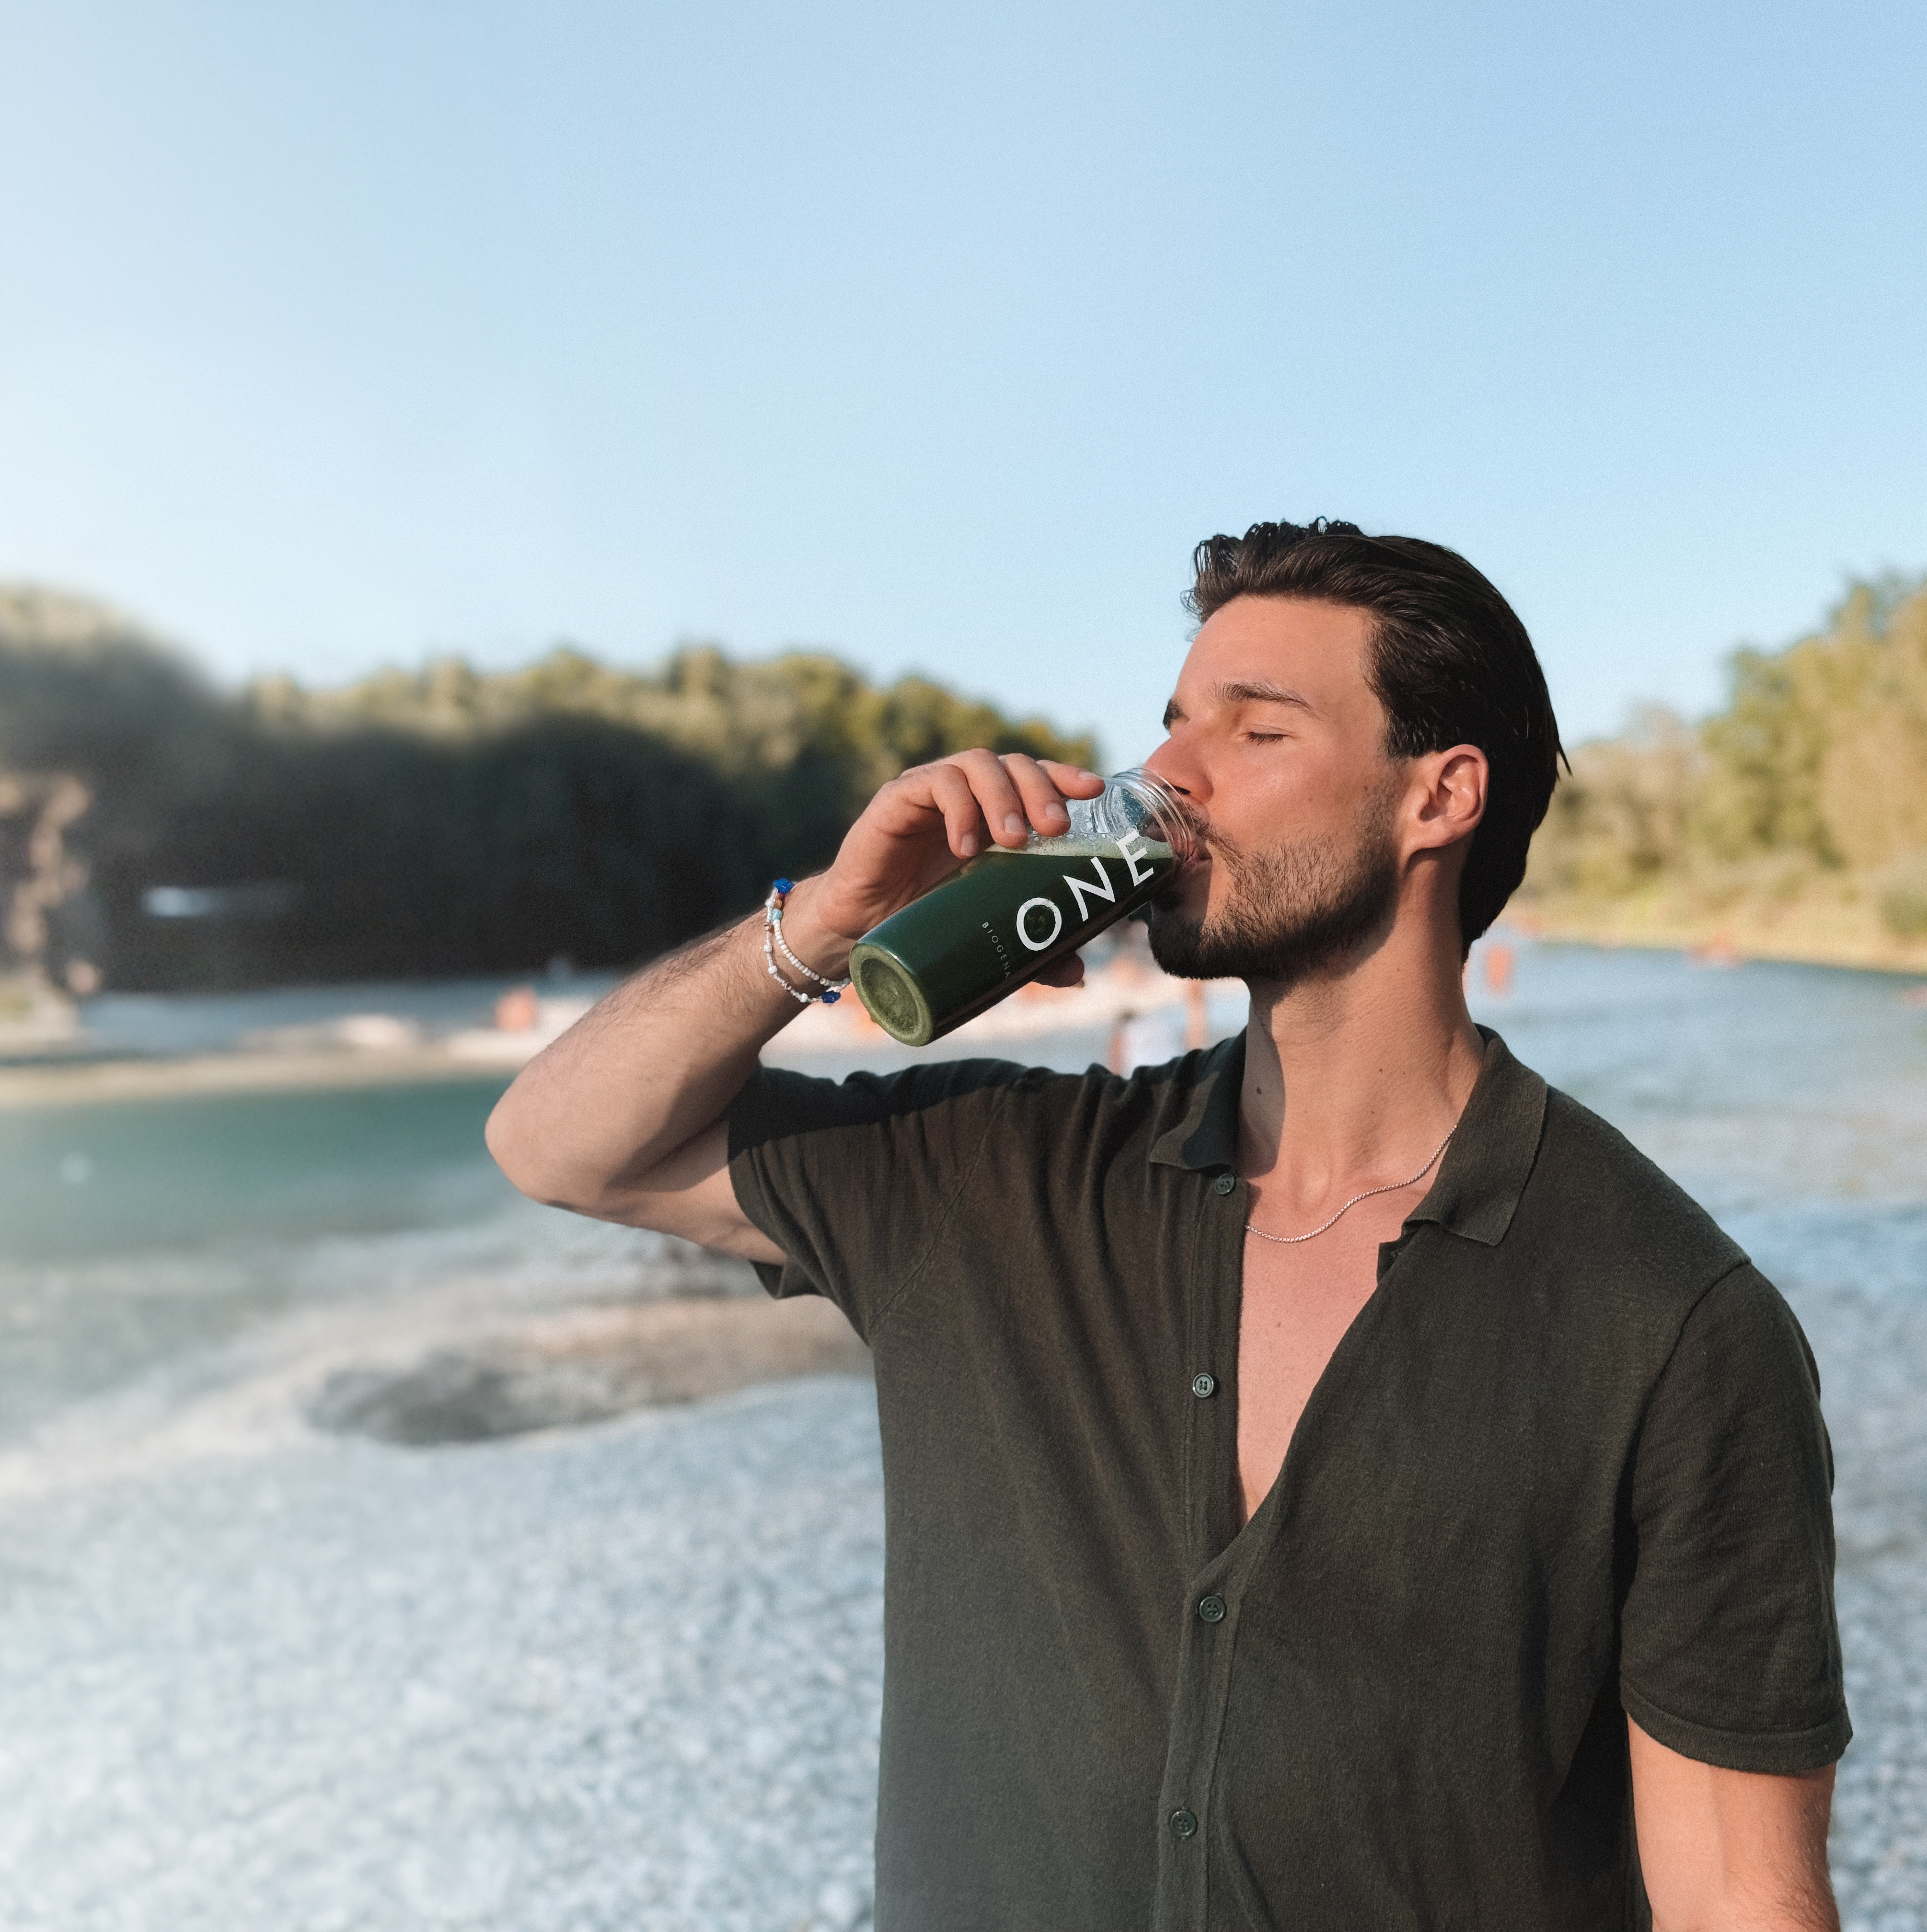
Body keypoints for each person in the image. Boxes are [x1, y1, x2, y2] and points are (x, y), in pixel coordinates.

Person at [487, 520, 1848, 1930]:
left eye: (1256, 734)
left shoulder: (1670, 1320)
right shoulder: (990, 1175)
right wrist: (825, 925)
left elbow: (1742, 1899)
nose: (1168, 782)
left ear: (1438, 797)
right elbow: (560, 1144)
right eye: (1172, 728)